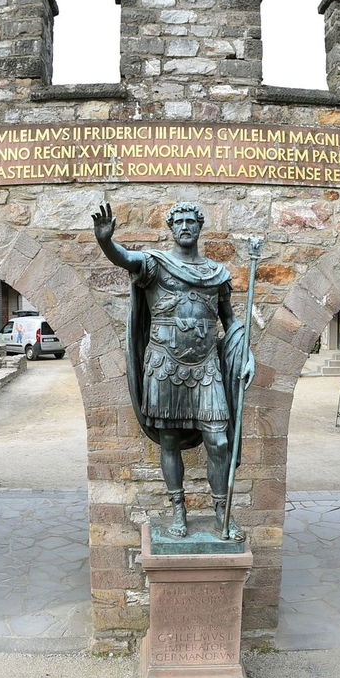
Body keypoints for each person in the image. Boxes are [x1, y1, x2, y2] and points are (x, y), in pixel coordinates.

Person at [91, 201, 253, 538]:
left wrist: (245, 353)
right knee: (169, 440)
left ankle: (221, 511)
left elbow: (230, 320)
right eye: (178, 221)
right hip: (164, 363)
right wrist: (106, 241)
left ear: (199, 227)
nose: (185, 226)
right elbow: (125, 258)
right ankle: (178, 510)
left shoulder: (216, 273)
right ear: (171, 227)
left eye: (190, 221)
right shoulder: (155, 264)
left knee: (218, 440)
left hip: (206, 366)